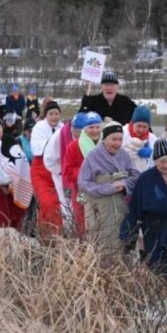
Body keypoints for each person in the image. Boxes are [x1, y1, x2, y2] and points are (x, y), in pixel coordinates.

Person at [120, 139, 167, 282]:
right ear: (155, 161)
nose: (165, 165)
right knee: (156, 264)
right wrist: (127, 236)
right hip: (153, 229)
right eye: (161, 161)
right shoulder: (145, 179)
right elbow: (134, 209)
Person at [77, 122, 140, 247]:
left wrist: (124, 184)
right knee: (100, 242)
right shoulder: (93, 156)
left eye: (120, 139)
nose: (117, 143)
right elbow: (83, 183)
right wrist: (108, 188)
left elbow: (136, 176)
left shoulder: (124, 155)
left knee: (120, 242)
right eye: (114, 139)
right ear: (105, 138)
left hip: (120, 207)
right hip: (98, 208)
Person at [63, 112, 102, 237]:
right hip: (82, 194)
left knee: (103, 228)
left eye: (97, 127)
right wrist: (86, 173)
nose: (94, 131)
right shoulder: (74, 146)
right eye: (91, 127)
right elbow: (68, 172)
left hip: (104, 192)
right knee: (84, 228)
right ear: (85, 129)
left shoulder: (107, 144)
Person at [29, 101, 65, 236]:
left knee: (60, 204)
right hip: (41, 171)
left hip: (57, 171)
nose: (54, 117)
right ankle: (49, 233)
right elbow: (37, 149)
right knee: (48, 202)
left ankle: (54, 234)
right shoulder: (39, 128)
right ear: (46, 115)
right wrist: (55, 143)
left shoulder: (64, 128)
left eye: (56, 113)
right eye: (51, 114)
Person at [122, 105, 158, 174]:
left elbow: (162, 159)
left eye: (145, 127)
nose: (141, 130)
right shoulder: (122, 133)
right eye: (139, 126)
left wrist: (153, 154)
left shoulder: (153, 139)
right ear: (133, 123)